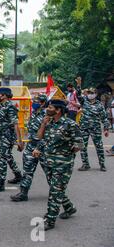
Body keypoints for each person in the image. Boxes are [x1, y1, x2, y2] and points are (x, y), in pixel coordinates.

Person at [33, 99, 83, 231]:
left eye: (49, 107)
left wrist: (67, 154)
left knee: (55, 191)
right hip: (49, 162)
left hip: (63, 164)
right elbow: (40, 138)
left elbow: (79, 144)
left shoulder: (70, 124)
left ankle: (50, 219)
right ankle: (69, 208)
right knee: (56, 188)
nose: (47, 109)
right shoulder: (49, 123)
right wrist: (43, 124)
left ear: (58, 110)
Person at [11, 94, 48, 202]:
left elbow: (48, 135)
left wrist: (39, 148)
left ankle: (59, 195)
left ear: (42, 103)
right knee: (27, 171)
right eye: (34, 101)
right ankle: (23, 193)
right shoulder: (34, 114)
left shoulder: (47, 116)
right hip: (31, 146)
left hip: (42, 148)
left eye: (36, 101)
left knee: (49, 172)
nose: (34, 103)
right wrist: (22, 142)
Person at [0, 88, 24, 192]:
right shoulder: (1, 106)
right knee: (8, 156)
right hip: (2, 136)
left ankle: (1, 184)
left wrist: (19, 141)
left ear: (4, 95)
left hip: (7, 136)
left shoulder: (10, 106)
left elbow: (15, 124)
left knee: (2, 158)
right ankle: (18, 175)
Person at [75, 77, 110, 171]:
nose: (90, 94)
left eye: (92, 93)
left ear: (96, 94)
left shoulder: (99, 105)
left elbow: (104, 118)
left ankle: (102, 165)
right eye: (89, 93)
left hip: (96, 129)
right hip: (83, 128)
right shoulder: (84, 101)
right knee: (81, 146)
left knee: (99, 147)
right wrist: (79, 84)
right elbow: (78, 95)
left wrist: (106, 129)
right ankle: (85, 164)